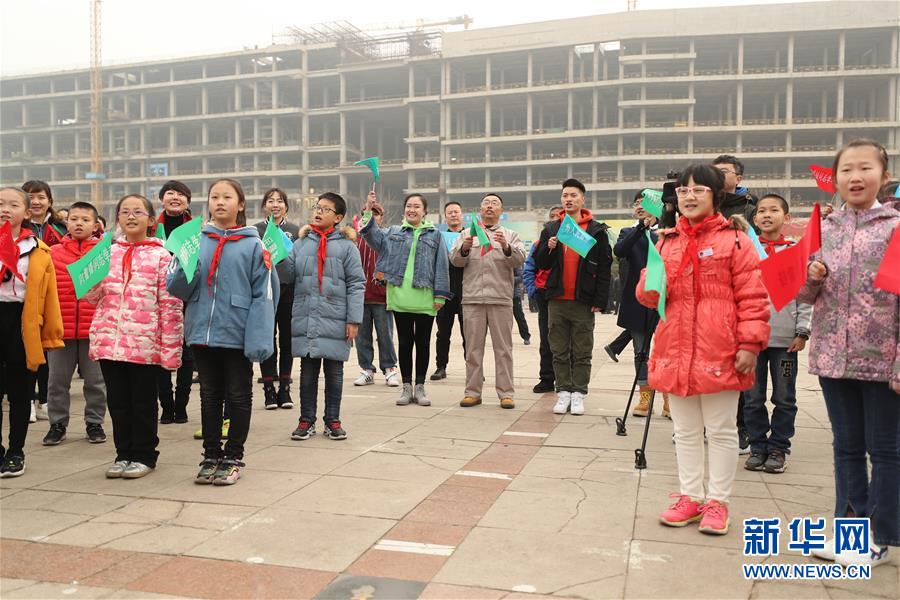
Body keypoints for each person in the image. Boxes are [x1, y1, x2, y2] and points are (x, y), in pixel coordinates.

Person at [636, 163, 770, 536]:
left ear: (716, 196)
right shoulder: (666, 241)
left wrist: (749, 342)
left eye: (699, 190)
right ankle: (690, 497)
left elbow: (754, 297)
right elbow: (649, 297)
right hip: (675, 347)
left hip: (720, 349)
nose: (689, 196)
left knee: (722, 430)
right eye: (683, 190)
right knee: (685, 430)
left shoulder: (736, 240)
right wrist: (651, 277)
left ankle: (718, 503)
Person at [800, 139, 899, 567]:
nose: (855, 177)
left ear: (885, 177)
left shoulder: (896, 227)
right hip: (833, 357)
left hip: (883, 357)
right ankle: (851, 531)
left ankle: (880, 536)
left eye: (865, 169)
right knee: (845, 447)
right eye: (846, 170)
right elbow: (803, 294)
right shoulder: (825, 227)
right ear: (835, 178)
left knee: (886, 450)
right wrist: (812, 275)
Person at [167, 179, 277, 486]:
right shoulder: (196, 241)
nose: (220, 202)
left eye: (227, 197)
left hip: (238, 333)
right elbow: (178, 289)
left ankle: (234, 456)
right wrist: (184, 268)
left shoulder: (255, 245)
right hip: (203, 330)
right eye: (214, 196)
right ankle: (210, 455)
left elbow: (264, 295)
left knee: (239, 396)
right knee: (209, 395)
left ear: (240, 205)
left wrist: (258, 338)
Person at [87, 194, 183, 480]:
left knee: (142, 402)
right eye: (124, 212)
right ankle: (123, 453)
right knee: (117, 402)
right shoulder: (107, 253)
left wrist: (170, 349)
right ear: (117, 218)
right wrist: (90, 282)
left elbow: (171, 305)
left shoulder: (162, 256)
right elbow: (93, 298)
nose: (131, 216)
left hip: (144, 344)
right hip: (110, 341)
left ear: (151, 220)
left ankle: (144, 455)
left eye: (138, 212)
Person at [284, 192, 364, 441]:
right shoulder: (300, 244)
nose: (318, 211)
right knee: (307, 373)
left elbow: (356, 284)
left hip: (336, 318)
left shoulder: (347, 247)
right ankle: (306, 420)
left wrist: (353, 320)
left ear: (338, 217)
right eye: (317, 207)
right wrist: (274, 258)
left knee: (335, 373)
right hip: (306, 317)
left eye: (325, 209)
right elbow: (287, 275)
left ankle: (333, 419)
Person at [361, 192, 450, 406]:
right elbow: (370, 235)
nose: (412, 209)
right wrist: (368, 209)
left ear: (425, 211)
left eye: (417, 206)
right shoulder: (392, 232)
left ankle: (420, 387)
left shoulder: (435, 234)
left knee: (423, 343)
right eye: (409, 206)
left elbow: (441, 265)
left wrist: (440, 295)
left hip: (426, 298)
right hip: (399, 295)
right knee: (405, 343)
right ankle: (406, 387)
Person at [744, 193, 811, 474]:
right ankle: (757, 446)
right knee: (752, 397)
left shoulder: (794, 252)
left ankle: (779, 447)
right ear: (755, 218)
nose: (767, 215)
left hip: (785, 340)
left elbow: (805, 294)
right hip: (751, 338)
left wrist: (803, 331)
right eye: (761, 211)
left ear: (786, 217)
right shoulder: (746, 250)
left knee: (784, 397)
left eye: (774, 210)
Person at [0, 187, 64, 477]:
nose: (5, 209)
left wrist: (50, 333)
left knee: (20, 392)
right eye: (0, 203)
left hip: (23, 323)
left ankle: (16, 451)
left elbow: (50, 296)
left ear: (26, 213)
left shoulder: (38, 249)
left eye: (13, 204)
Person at [534, 179, 612, 415]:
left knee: (582, 349)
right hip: (557, 299)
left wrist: (600, 300)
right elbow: (540, 262)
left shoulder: (596, 230)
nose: (569, 199)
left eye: (573, 195)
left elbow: (605, 269)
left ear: (582, 199)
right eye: (565, 195)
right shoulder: (552, 228)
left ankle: (579, 393)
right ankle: (563, 392)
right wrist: (548, 247)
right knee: (557, 349)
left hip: (583, 300)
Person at [450, 193, 526, 409]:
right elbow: (455, 260)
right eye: (486, 203)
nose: (490, 207)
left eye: (494, 204)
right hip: (473, 298)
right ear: (480, 210)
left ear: (501, 211)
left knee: (503, 350)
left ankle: (506, 393)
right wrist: (465, 247)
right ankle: (472, 392)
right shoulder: (467, 233)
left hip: (500, 299)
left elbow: (520, 259)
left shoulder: (510, 234)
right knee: (473, 350)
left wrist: (506, 247)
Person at [43, 202, 108, 446]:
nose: (79, 223)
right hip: (62, 330)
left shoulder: (104, 252)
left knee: (96, 382)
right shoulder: (53, 253)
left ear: (96, 225)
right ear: (66, 222)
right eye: (74, 219)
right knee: (57, 381)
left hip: (95, 329)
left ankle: (94, 423)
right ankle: (57, 424)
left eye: (85, 219)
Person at [713, 155, 759, 454]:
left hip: (739, 295)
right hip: (710, 298)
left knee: (739, 370)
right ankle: (713, 423)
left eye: (723, 172)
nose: (716, 176)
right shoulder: (705, 205)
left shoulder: (751, 209)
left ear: (738, 178)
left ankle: (742, 427)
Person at [614, 192, 666, 418]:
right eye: (637, 203)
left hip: (666, 299)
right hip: (637, 299)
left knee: (666, 351)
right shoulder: (629, 232)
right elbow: (620, 251)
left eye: (645, 203)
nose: (640, 206)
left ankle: (668, 397)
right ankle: (645, 396)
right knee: (640, 351)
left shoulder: (667, 232)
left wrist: (657, 227)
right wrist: (641, 228)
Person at [22, 180, 66, 423]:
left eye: (41, 197)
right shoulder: (15, 228)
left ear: (50, 200)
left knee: (49, 349)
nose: (36, 202)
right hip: (25, 297)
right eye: (31, 197)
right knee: (27, 351)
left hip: (54, 296)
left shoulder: (61, 228)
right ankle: (27, 400)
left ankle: (46, 400)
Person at [154, 180, 196, 424]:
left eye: (181, 194)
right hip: (158, 296)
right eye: (170, 193)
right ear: (162, 199)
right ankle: (166, 406)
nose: (175, 197)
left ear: (187, 201)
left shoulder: (196, 229)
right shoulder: (152, 227)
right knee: (161, 350)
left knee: (186, 353)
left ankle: (181, 406)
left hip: (187, 296)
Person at [254, 187, 300, 409]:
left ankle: (285, 388)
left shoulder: (295, 230)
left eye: (280, 201)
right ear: (264, 206)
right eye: (270, 201)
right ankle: (269, 389)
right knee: (267, 338)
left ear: (286, 206)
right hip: (265, 291)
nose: (275, 204)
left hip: (289, 289)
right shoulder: (256, 230)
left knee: (287, 339)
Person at [352, 203, 399, 388]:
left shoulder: (389, 237)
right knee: (362, 336)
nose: (372, 217)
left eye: (376, 214)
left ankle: (389, 369)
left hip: (382, 296)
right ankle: (367, 370)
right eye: (368, 214)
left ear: (381, 217)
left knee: (385, 335)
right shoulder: (354, 238)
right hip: (360, 296)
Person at [523, 206, 562, 393]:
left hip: (565, 296)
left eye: (559, 216)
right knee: (546, 339)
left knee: (565, 340)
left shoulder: (575, 242)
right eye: (552, 217)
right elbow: (529, 267)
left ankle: (565, 380)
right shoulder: (541, 242)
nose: (555, 220)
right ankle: (546, 378)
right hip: (544, 294)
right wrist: (533, 290)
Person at [431, 201, 466, 381]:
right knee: (442, 333)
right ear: (445, 216)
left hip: (466, 291)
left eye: (456, 212)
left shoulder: (470, 235)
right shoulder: (439, 237)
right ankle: (440, 366)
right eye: (450, 213)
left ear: (462, 215)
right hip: (444, 290)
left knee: (469, 333)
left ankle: (473, 368)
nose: (453, 215)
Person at [511, 266, 531, 344]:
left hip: (514, 295)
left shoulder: (515, 262)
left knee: (519, 316)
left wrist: (509, 279)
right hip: (501, 295)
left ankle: (526, 336)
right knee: (501, 319)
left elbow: (521, 277)